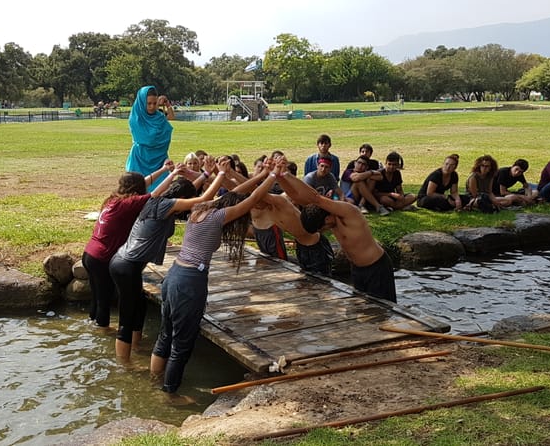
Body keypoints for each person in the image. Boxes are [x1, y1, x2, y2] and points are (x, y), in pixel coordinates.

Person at [150, 167, 278, 395]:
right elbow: (253, 199)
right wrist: (274, 176)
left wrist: (261, 175)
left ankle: (154, 381)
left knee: (165, 335)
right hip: (190, 282)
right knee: (181, 346)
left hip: (173, 276)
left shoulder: (199, 209)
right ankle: (169, 395)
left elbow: (235, 193)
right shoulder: (220, 216)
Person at [108, 158, 233, 362]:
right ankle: (123, 365)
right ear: (181, 198)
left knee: (138, 308)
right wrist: (219, 175)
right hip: (127, 266)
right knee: (127, 317)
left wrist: (204, 174)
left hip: (121, 262)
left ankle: (136, 351)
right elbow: (200, 201)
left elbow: (186, 191)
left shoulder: (158, 199)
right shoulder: (165, 205)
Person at [275, 158, 396, 302]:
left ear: (326, 220)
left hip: (377, 268)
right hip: (357, 270)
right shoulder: (323, 214)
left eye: (323, 228)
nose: (325, 231)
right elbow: (296, 196)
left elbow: (315, 197)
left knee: (383, 312)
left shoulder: (349, 213)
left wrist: (287, 175)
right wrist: (278, 177)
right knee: (361, 310)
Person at [82, 160, 175, 327]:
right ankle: (102, 334)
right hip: (102, 258)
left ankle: (92, 326)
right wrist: (173, 175)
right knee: (104, 300)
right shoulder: (128, 204)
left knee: (96, 297)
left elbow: (143, 183)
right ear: (137, 190)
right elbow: (155, 194)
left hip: (89, 254)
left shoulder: (113, 199)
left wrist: (163, 170)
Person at [125, 86, 176, 191]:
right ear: (142, 102)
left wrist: (167, 105)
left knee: (161, 191)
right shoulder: (135, 119)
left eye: (154, 103)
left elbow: (169, 125)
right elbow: (149, 139)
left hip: (159, 159)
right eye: (149, 104)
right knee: (136, 190)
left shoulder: (159, 117)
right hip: (140, 159)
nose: (152, 107)